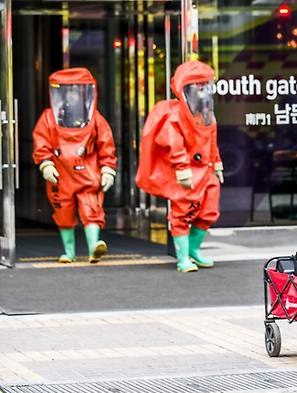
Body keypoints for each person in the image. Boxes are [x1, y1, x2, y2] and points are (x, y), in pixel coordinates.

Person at [136, 60, 224, 272]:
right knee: (182, 213)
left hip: (206, 170)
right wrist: (181, 168)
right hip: (186, 173)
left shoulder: (207, 116)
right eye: (197, 87)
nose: (202, 92)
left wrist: (217, 164)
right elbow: (175, 145)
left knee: (209, 211)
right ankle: (183, 257)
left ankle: (194, 250)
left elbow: (212, 142)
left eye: (205, 86)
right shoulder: (175, 116)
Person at [32, 67, 117, 264]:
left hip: (88, 173)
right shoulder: (48, 118)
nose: (71, 96)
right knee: (63, 212)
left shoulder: (95, 119)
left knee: (91, 209)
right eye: (67, 91)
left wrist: (107, 169)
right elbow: (41, 142)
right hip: (60, 175)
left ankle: (93, 246)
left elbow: (106, 145)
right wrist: (46, 164)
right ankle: (69, 252)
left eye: (76, 91)